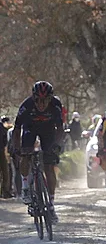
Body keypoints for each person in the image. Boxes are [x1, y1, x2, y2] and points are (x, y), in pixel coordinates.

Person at [13, 81, 65, 223]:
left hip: (48, 131)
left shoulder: (55, 105)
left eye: (45, 101)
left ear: (50, 99)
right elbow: (17, 130)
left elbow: (60, 129)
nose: (41, 104)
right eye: (38, 100)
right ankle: (25, 187)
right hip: (30, 128)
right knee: (25, 156)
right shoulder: (26, 106)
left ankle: (51, 204)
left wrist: (57, 146)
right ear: (33, 98)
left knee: (49, 166)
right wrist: (17, 149)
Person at [0, 116, 11, 198]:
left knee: (5, 171)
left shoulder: (1, 126)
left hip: (1, 150)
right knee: (5, 171)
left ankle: (5, 191)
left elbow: (4, 138)